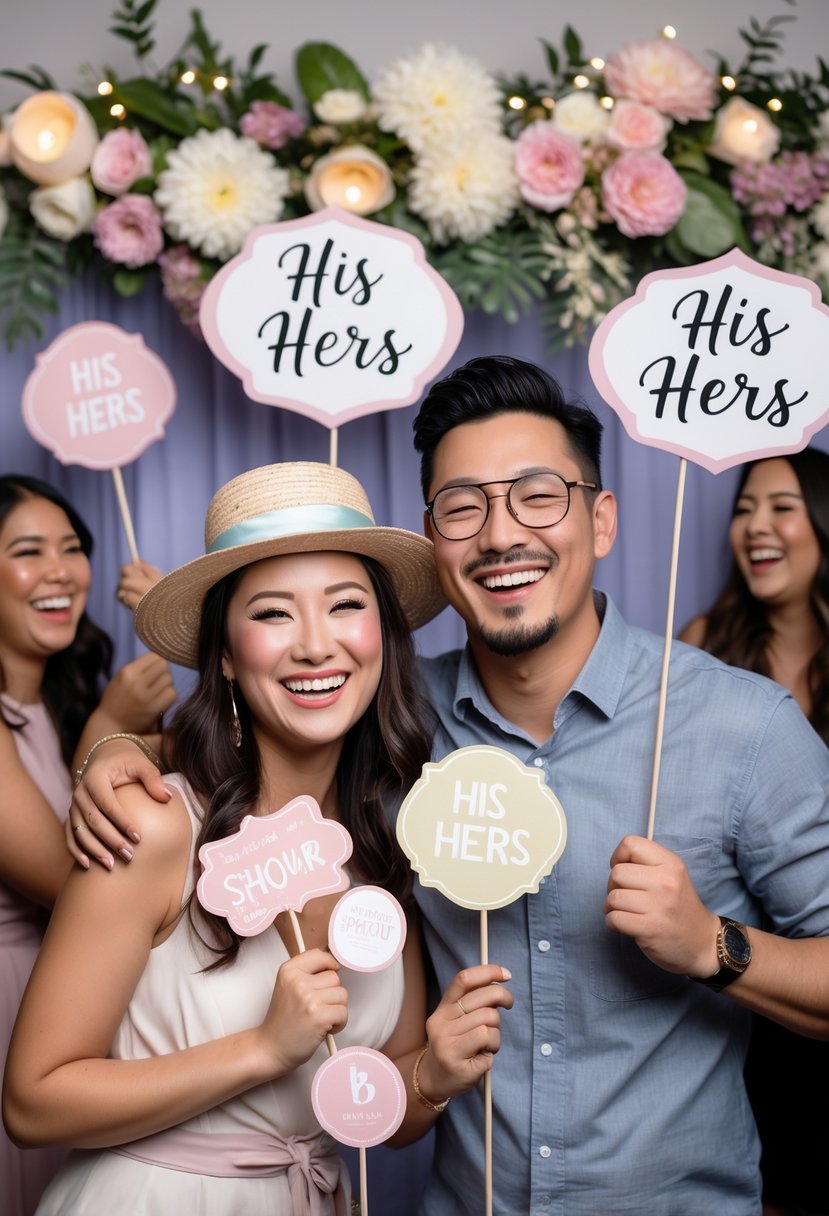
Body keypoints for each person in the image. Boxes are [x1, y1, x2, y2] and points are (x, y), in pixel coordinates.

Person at [64, 359, 829, 1215]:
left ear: (602, 519)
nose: (501, 535)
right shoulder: (391, 719)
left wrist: (713, 948)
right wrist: (110, 750)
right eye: (465, 507)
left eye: (539, 495)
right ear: (434, 539)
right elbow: (239, 745)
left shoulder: (744, 726)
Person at [3, 461, 513, 1216]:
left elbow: (375, 1105)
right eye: (274, 614)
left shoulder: (381, 840)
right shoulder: (154, 825)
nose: (315, 645)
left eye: (345, 605)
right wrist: (261, 1050)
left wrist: (432, 1073)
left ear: (383, 636)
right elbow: (33, 1104)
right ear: (224, 656)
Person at [0, 473, 176, 1216]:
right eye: (27, 551)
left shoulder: (65, 700)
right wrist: (113, 726)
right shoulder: (96, 714)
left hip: (85, 1000)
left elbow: (221, 769)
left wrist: (182, 625)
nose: (61, 572)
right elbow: (72, 871)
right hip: (14, 1015)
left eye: (73, 549)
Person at [680, 448, 829, 1216]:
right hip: (740, 988)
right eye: (742, 509)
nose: (755, 527)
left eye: (780, 506)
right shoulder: (703, 642)